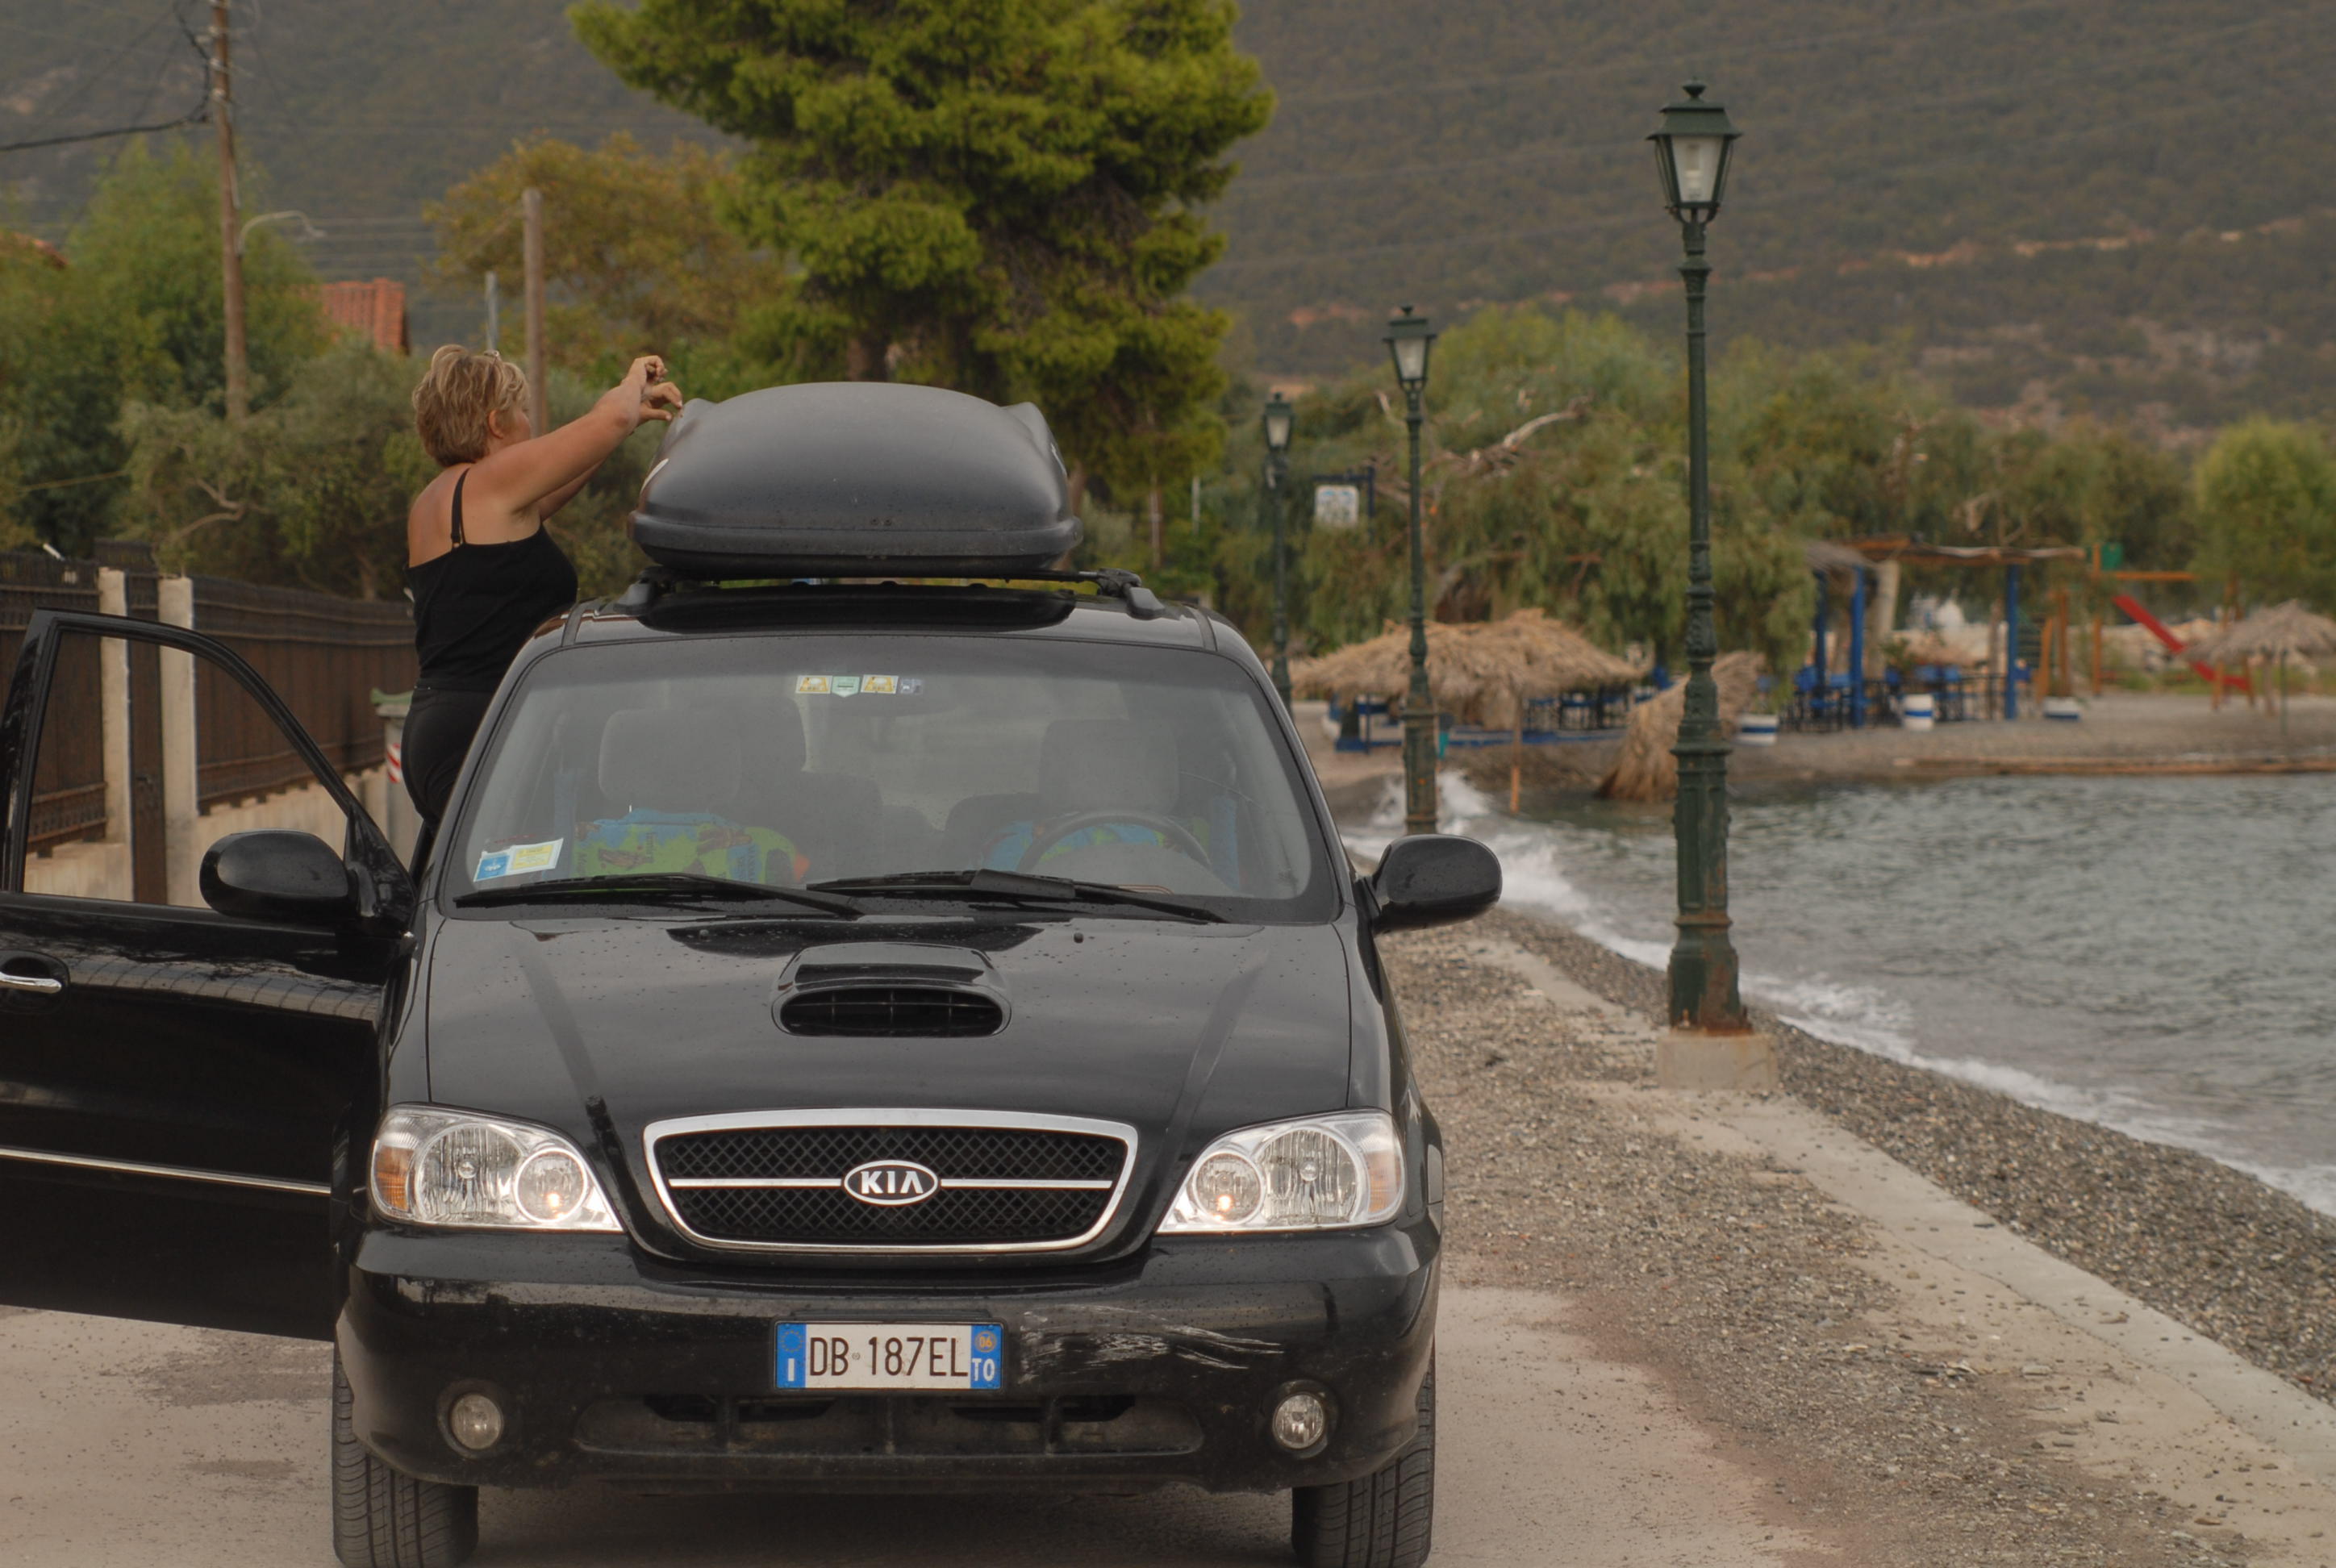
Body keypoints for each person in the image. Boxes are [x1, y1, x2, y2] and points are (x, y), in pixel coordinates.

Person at [402, 347, 681, 825]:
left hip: (443, 724)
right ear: (496, 423)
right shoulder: (487, 483)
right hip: (481, 732)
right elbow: (606, 422)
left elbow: (572, 465)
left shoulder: (442, 498)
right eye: (523, 411)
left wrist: (628, 419)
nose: (529, 424)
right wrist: (634, 380)